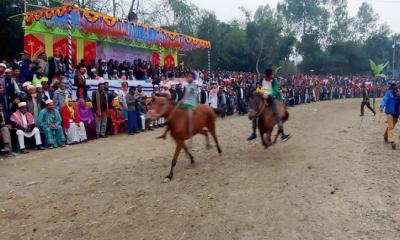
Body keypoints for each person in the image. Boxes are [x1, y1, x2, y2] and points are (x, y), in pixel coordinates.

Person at [248, 69, 290, 141]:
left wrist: (268, 95)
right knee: (255, 110)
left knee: (276, 112)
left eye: (270, 77)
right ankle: (254, 133)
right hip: (261, 97)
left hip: (270, 98)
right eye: (267, 77)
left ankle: (282, 132)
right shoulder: (262, 79)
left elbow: (275, 91)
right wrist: (259, 91)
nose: (269, 78)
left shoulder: (274, 81)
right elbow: (258, 87)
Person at [379, 81, 400, 150]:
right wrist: (381, 106)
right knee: (391, 126)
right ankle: (392, 141)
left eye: (394, 85)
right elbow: (384, 100)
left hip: (396, 113)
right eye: (392, 85)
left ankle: (385, 136)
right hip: (389, 112)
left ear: (396, 85)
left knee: (391, 126)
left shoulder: (398, 92)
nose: (393, 86)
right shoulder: (388, 93)